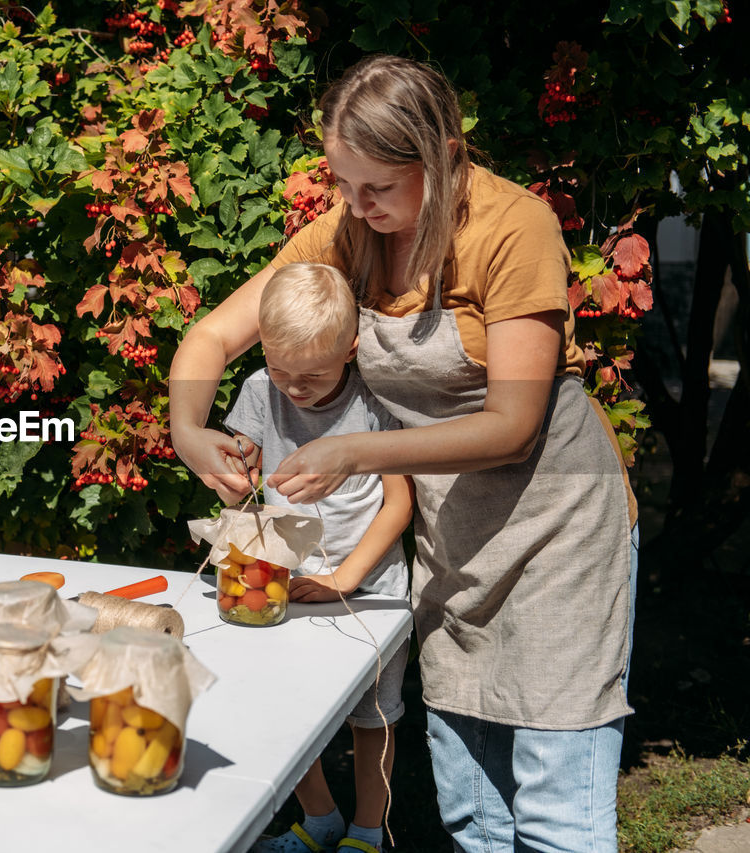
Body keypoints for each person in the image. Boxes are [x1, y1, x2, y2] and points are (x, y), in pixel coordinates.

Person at [168, 54, 637, 852]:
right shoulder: (350, 230)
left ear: (443, 156)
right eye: (343, 184)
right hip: (455, 536)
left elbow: (513, 423)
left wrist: (356, 449)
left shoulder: (514, 228)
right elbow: (212, 333)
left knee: (556, 808)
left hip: (557, 531)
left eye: (376, 188)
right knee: (472, 806)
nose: (354, 206)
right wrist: (187, 430)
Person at [223, 261, 414, 853]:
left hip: (372, 589)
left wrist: (348, 577)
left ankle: (365, 832)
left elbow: (400, 502)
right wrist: (233, 468)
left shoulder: (374, 403)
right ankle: (320, 818)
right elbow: (244, 457)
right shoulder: (261, 390)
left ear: (351, 350)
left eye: (310, 374)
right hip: (290, 583)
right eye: (279, 368)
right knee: (279, 702)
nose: (293, 387)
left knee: (372, 719)